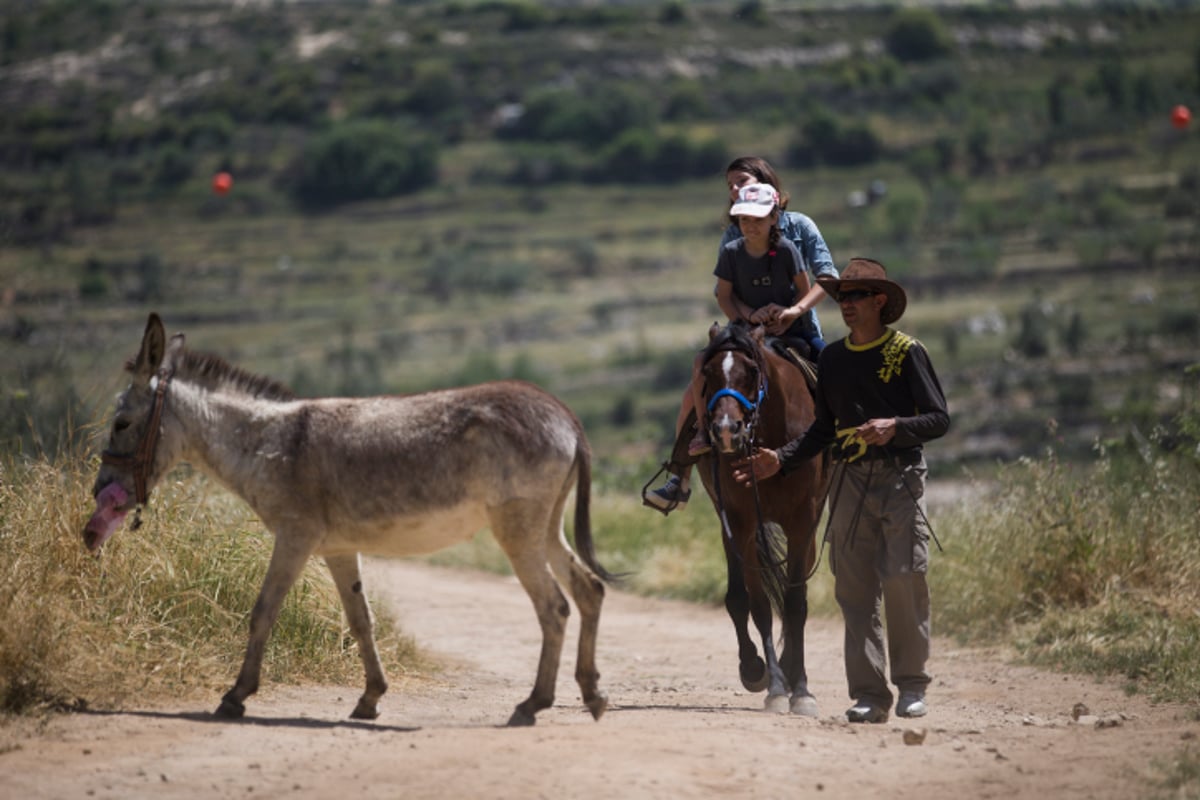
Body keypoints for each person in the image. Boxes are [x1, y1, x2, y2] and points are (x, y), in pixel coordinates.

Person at [733, 257, 950, 724]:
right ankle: (869, 694)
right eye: (841, 298)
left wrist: (896, 426)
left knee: (903, 579)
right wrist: (782, 459)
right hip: (848, 480)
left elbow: (938, 418)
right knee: (854, 589)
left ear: (879, 301)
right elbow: (821, 432)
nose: (845, 305)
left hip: (901, 477)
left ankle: (912, 685)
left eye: (854, 297)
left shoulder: (907, 351)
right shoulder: (831, 358)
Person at [643, 157, 838, 514]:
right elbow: (724, 294)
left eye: (741, 182)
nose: (734, 191)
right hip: (747, 334)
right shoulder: (733, 238)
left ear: (770, 192)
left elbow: (825, 277)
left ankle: (851, 455)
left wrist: (793, 311)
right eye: (729, 186)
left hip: (798, 330)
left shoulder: (800, 230)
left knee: (835, 374)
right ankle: (680, 475)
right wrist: (750, 318)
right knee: (699, 383)